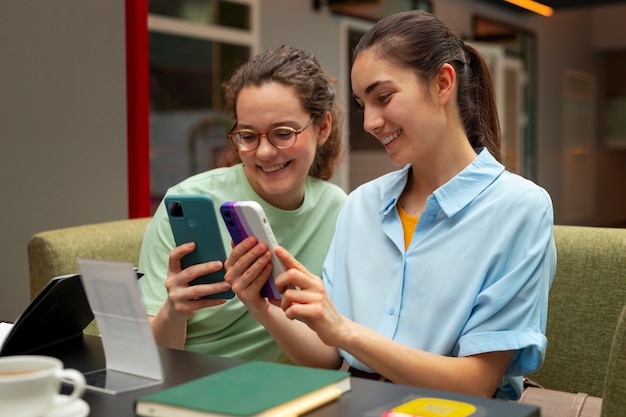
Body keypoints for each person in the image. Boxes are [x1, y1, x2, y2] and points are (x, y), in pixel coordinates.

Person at [224, 10, 556, 400]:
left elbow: (476, 382)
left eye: (383, 97)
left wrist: (345, 331)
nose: (370, 122)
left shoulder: (520, 208)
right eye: (363, 104)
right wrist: (263, 306)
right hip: (356, 401)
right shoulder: (362, 203)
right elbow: (329, 358)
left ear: (443, 83)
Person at [137, 45, 347, 363]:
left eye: (282, 133)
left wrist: (263, 307)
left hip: (289, 394)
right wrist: (174, 312)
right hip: (190, 385)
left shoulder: (339, 211)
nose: (264, 152)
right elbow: (148, 358)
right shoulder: (187, 202)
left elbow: (329, 360)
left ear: (323, 128)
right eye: (248, 136)